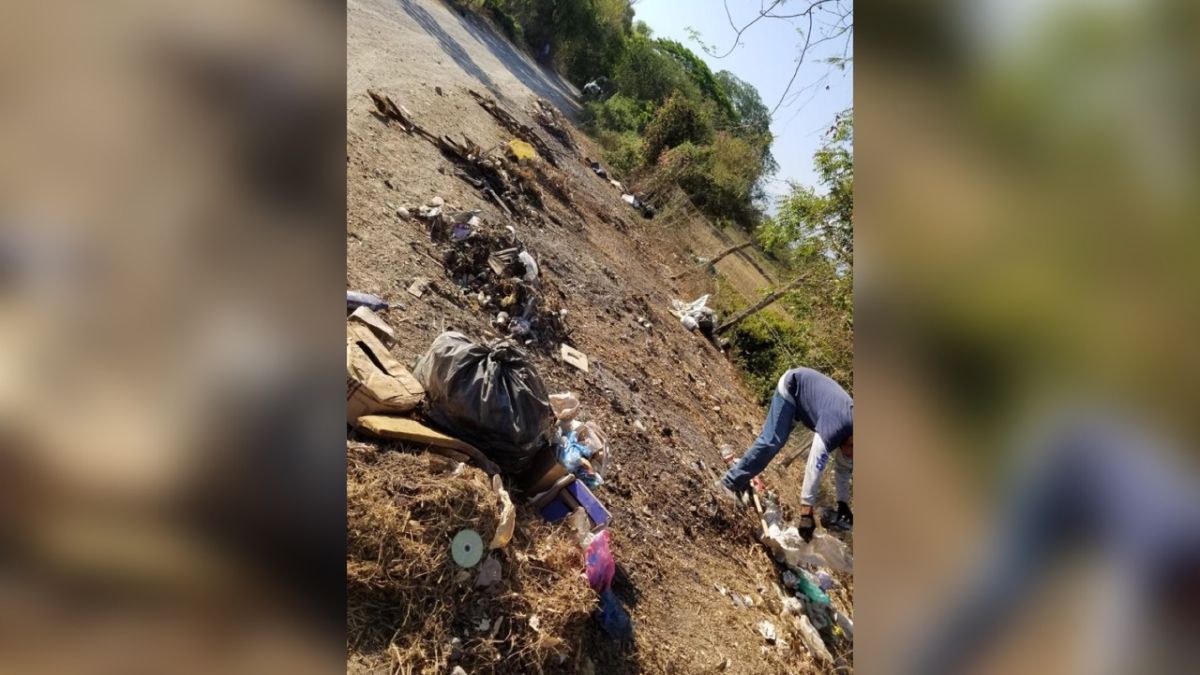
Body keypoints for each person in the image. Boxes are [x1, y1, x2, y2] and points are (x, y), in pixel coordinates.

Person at [716, 367, 853, 541]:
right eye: (852, 452)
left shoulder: (853, 435)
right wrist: (806, 512)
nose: (850, 457)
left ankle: (741, 480)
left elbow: (843, 468)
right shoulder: (836, 427)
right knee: (772, 441)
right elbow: (815, 466)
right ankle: (729, 483)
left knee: (775, 441)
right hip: (793, 387)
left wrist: (842, 503)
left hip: (806, 401)